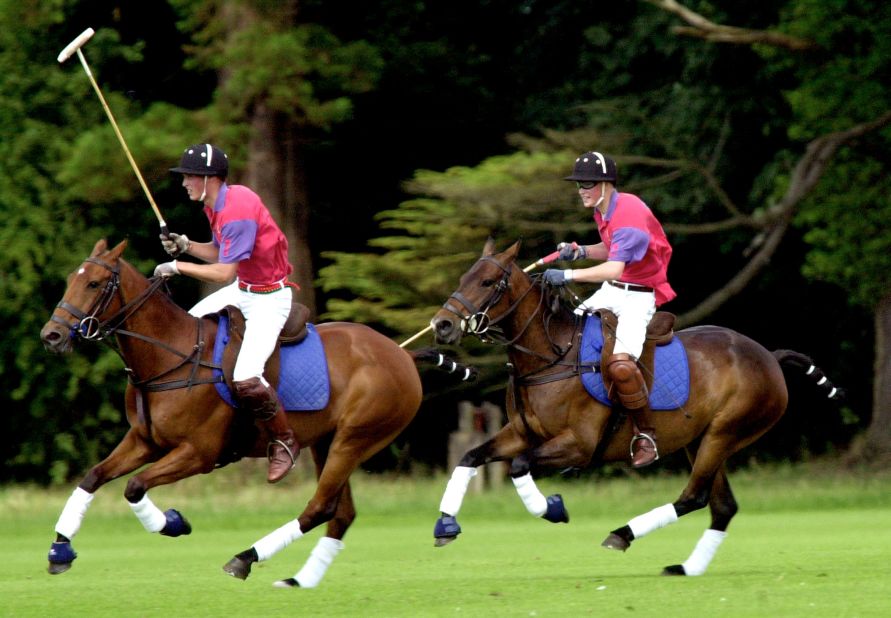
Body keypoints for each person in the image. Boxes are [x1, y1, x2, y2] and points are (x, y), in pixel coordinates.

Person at [154, 143, 302, 483]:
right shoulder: (215, 204)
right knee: (186, 333)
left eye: (189, 177)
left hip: (268, 298)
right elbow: (222, 252)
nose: (184, 183)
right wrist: (187, 245)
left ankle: (284, 440)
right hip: (244, 289)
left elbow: (224, 272)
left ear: (209, 179)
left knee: (247, 377)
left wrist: (178, 265)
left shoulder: (237, 208)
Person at [543, 151, 675, 468]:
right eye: (578, 184)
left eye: (587, 183)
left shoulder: (628, 213)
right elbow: (612, 249)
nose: (581, 190)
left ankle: (646, 435)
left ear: (606, 183)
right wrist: (581, 252)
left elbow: (615, 267)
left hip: (639, 296)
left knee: (620, 366)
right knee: (567, 339)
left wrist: (569, 275)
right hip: (613, 291)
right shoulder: (604, 209)